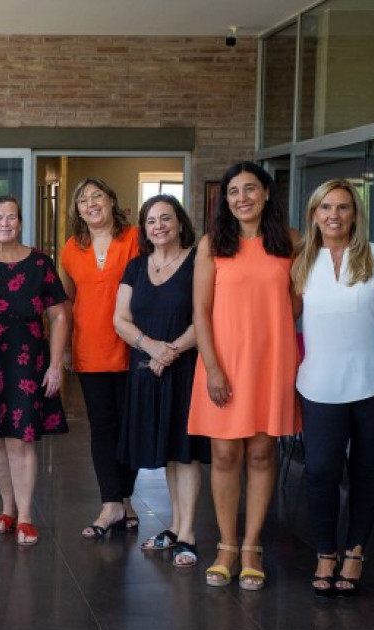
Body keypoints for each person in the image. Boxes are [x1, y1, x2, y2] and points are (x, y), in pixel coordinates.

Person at [188, 161, 299, 591]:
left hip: (270, 362)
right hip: (223, 362)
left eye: (250, 189)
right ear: (225, 200)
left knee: (261, 454)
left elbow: (299, 303)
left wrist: (270, 333)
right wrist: (213, 366)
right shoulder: (213, 244)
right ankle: (227, 546)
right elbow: (200, 309)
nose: (242, 199)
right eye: (234, 192)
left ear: (266, 194)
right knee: (225, 456)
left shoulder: (291, 242)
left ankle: (252, 546)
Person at [292, 180, 374, 598]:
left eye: (343, 207)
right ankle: (325, 553)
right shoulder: (301, 261)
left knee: (367, 472)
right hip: (318, 386)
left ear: (356, 213)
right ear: (314, 214)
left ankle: (355, 553)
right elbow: (283, 318)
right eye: (325, 207)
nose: (334, 215)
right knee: (319, 472)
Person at [113, 194, 209, 568]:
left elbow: (208, 315)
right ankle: (174, 525)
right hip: (148, 369)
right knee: (169, 451)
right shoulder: (137, 267)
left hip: (185, 368)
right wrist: (152, 348)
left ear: (180, 223)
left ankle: (189, 534)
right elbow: (120, 319)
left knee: (185, 453)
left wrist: (172, 351)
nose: (159, 227)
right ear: (145, 229)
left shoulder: (199, 261)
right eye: (151, 221)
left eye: (165, 219)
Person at [0, 196, 69, 547]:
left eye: (12, 217)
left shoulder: (41, 263)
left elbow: (58, 316)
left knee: (21, 440)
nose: (5, 223)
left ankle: (26, 516)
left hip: (28, 360)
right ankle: (7, 509)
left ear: (21, 222)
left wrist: (56, 365)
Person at [59, 178, 141, 538]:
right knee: (103, 427)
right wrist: (62, 347)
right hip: (90, 348)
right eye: (83, 200)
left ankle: (124, 497)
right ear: (77, 211)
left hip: (134, 346)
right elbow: (67, 301)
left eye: (97, 196)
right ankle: (111, 502)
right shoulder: (71, 248)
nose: (90, 204)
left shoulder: (136, 238)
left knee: (131, 427)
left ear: (112, 201)